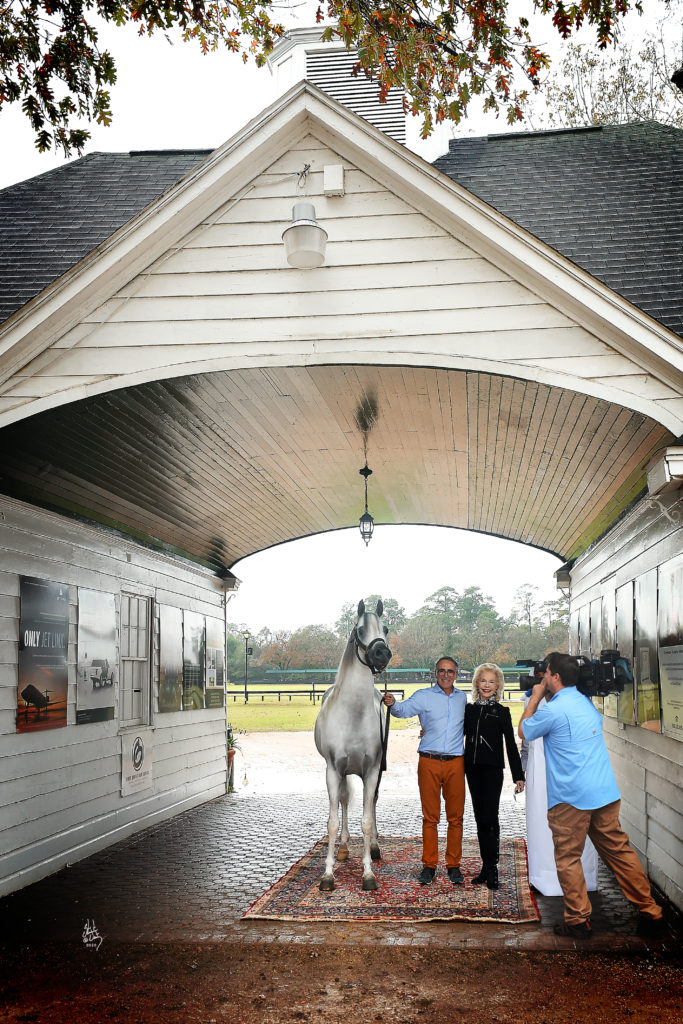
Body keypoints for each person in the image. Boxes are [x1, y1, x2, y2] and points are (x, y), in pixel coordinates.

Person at [519, 652, 664, 939]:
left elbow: (525, 730)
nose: (543, 678)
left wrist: (535, 697)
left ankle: (578, 921)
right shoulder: (585, 702)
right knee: (620, 853)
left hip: (571, 799)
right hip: (604, 793)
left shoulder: (552, 710)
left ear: (555, 677)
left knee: (568, 857)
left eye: (546, 674)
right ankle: (651, 912)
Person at [383, 656, 466, 884]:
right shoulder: (424, 695)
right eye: (442, 671)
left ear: (456, 674)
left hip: (456, 762)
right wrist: (392, 703)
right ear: (435, 673)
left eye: (450, 671)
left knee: (456, 817)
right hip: (429, 761)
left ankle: (453, 865)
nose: (446, 675)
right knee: (430, 818)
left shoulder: (462, 698)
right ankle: (429, 865)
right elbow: (402, 710)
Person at [521, 686, 598, 897]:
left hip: (570, 772)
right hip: (551, 772)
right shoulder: (536, 700)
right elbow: (526, 738)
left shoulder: (573, 701)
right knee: (547, 825)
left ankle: (576, 880)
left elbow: (524, 731)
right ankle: (548, 877)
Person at [464, 663, 525, 890]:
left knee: (491, 818)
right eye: (483, 681)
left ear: (497, 685)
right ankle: (484, 865)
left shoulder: (502, 712)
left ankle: (493, 868)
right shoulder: (469, 711)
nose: (487, 685)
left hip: (492, 771)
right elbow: (453, 733)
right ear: (477, 684)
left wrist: (518, 776)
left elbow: (510, 745)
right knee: (480, 819)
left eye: (491, 681)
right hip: (472, 769)